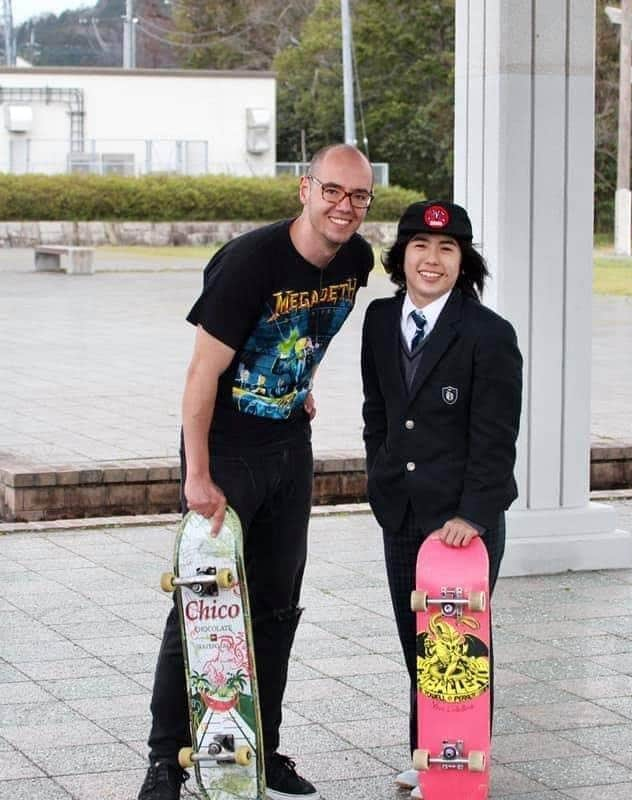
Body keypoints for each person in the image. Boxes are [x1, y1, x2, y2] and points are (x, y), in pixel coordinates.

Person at [138, 144, 375, 800]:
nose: (344, 206)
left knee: (275, 608)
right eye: (332, 190)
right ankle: (166, 762)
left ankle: (259, 749)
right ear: (304, 189)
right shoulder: (249, 264)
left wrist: (297, 384)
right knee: (203, 606)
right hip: (226, 452)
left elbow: (314, 330)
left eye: (358, 197)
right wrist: (197, 474)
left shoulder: (357, 260)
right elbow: (201, 373)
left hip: (288, 451)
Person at [360, 200, 522, 799]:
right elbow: (377, 410)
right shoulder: (379, 320)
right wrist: (379, 474)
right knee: (415, 636)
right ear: (401, 256)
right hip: (401, 511)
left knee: (455, 644)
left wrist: (474, 514)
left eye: (447, 250)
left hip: (461, 523)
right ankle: (426, 751)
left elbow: (496, 435)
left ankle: (460, 757)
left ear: (464, 262)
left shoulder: (488, 334)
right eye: (421, 248)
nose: (432, 260)